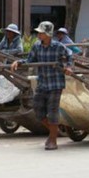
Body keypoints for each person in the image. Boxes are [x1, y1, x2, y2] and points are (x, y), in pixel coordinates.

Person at [11, 21, 73, 151]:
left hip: (55, 83)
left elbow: (69, 56)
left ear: (48, 34)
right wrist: (18, 62)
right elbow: (29, 61)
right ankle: (54, 130)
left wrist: (68, 67)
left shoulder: (58, 47)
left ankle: (53, 139)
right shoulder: (37, 47)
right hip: (43, 83)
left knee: (52, 112)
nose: (38, 35)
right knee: (38, 111)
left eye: (41, 33)